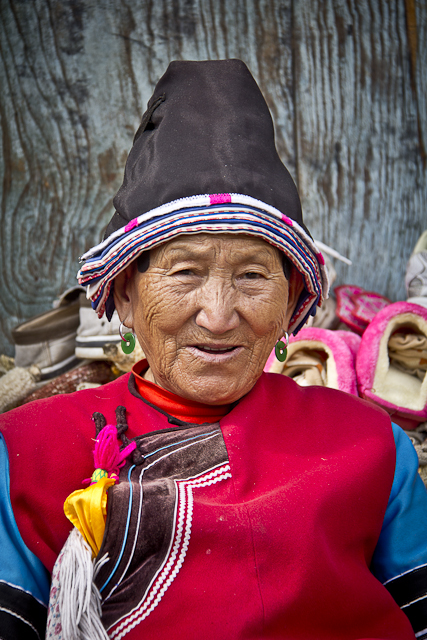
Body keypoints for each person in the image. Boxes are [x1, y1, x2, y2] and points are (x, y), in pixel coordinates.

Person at [0, 59, 426, 640]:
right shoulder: (28, 454)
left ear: (293, 298)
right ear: (124, 294)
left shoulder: (373, 446)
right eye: (185, 273)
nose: (219, 315)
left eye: (253, 276)